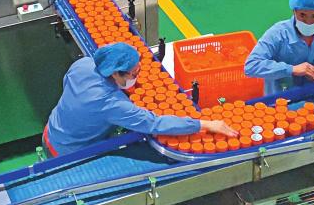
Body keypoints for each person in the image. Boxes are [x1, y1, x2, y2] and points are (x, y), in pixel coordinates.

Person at [44, 43, 238, 156]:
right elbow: (155, 124)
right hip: (66, 152)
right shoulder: (111, 103)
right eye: (134, 73)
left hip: (51, 130)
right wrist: (205, 124)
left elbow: (68, 85)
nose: (137, 77)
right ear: (115, 74)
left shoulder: (83, 64)